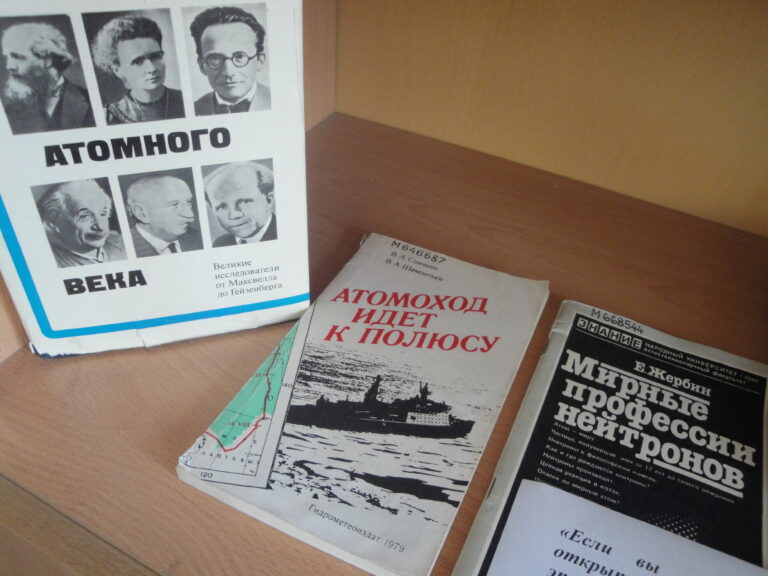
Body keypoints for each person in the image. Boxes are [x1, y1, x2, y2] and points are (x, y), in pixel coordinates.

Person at [1, 21, 95, 134]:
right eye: (8, 57)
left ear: (47, 61)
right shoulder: (7, 107)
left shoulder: (92, 101)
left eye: (17, 57)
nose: (9, 66)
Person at [91, 14, 184, 124]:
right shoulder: (109, 117)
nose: (152, 68)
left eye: (156, 57)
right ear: (118, 70)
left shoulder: (186, 101)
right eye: (138, 62)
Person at [189, 6, 270, 116]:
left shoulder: (282, 102)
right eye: (215, 59)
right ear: (202, 66)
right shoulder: (192, 111)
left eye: (240, 57)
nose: (228, 72)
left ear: (259, 60)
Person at [37, 180, 125, 268]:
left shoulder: (121, 242)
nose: (100, 226)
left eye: (103, 213)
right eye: (84, 216)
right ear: (53, 223)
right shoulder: (47, 263)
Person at [126, 175, 202, 257]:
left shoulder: (199, 237)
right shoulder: (124, 251)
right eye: (174, 204)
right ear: (142, 213)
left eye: (188, 202)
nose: (190, 215)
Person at [204, 161, 276, 246]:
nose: (233, 215)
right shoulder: (219, 244)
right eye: (221, 207)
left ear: (268, 200)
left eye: (243, 202)